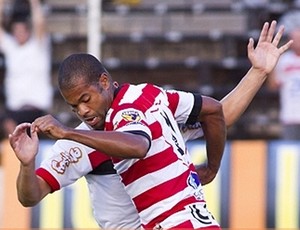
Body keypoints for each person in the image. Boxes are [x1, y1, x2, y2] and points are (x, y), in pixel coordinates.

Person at [9, 20, 292, 229]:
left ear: (105, 83)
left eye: (86, 99)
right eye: (73, 107)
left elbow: (142, 142)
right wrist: (26, 164)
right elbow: (30, 195)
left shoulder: (146, 107)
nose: (83, 111)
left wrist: (258, 72)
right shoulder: (148, 103)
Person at [0, 0, 53, 138]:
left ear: (28, 31)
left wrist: (34, 3)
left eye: (22, 30)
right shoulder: (11, 48)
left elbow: (40, 24)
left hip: (36, 107)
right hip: (15, 108)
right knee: (10, 130)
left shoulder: (38, 46)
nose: (19, 33)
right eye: (16, 31)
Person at [268, 10, 300, 139]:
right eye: (295, 38)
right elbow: (273, 86)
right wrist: (270, 67)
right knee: (290, 154)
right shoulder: (283, 60)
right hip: (289, 115)